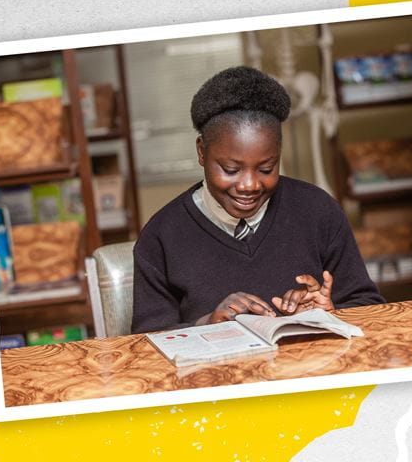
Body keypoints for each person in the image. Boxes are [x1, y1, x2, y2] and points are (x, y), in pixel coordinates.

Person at [131, 66, 384, 333]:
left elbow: (369, 306)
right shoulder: (161, 236)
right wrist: (205, 324)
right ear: (201, 152)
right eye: (230, 170)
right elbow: (145, 342)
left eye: (266, 169)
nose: (249, 185)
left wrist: (329, 312)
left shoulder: (318, 210)